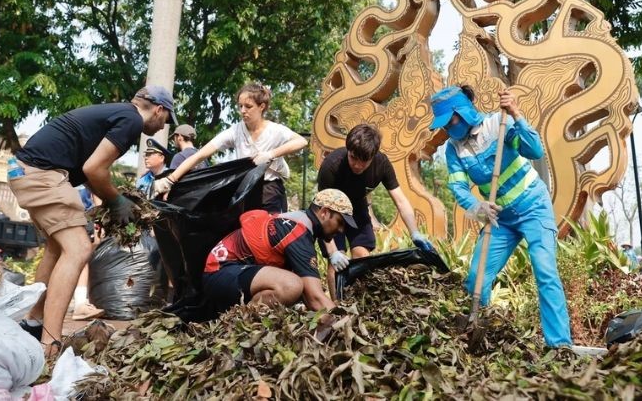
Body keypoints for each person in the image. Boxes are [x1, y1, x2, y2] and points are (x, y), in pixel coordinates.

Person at [9, 85, 178, 356]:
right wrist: (117, 201)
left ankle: (32, 322)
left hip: (26, 170)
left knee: (57, 247)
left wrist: (111, 197)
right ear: (159, 109)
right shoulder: (132, 119)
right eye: (167, 119)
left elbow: (88, 169)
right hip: (43, 173)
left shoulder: (116, 112)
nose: (162, 127)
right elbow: (94, 169)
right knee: (79, 248)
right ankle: (49, 343)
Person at [429, 85, 572, 348]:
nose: (447, 129)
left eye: (450, 121)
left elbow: (535, 151)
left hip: (533, 207)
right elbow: (458, 186)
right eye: (444, 125)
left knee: (545, 272)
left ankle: (560, 345)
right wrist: (478, 206)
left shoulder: (498, 123)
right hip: (499, 220)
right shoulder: (454, 150)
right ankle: (480, 337)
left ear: (463, 112)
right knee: (476, 278)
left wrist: (516, 114)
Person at [316, 123, 434, 298]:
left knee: (362, 257)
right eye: (353, 158)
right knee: (336, 264)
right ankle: (336, 308)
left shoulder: (382, 164)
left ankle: (358, 303)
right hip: (332, 213)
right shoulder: (332, 165)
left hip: (358, 209)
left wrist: (415, 232)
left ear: (373, 156)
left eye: (363, 161)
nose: (357, 165)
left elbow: (401, 201)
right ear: (348, 150)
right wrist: (332, 253)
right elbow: (321, 212)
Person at [154, 82, 307, 213]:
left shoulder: (275, 130)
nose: (242, 111)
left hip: (270, 190)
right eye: (240, 106)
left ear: (262, 107)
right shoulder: (236, 131)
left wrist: (270, 154)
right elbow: (200, 155)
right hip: (245, 190)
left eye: (248, 106)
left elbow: (301, 142)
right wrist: (170, 180)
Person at [201, 188, 356, 317]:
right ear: (324, 213)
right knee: (291, 285)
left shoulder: (299, 222)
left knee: (296, 288)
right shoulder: (298, 233)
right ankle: (242, 321)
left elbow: (311, 295)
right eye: (340, 222)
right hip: (220, 272)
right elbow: (315, 298)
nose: (341, 230)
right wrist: (344, 322)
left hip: (231, 272)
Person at [70, 185, 105, 321]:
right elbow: (97, 197)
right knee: (82, 259)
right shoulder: (86, 168)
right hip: (81, 216)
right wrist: (100, 223)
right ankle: (80, 305)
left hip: (62, 211)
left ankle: (40, 308)